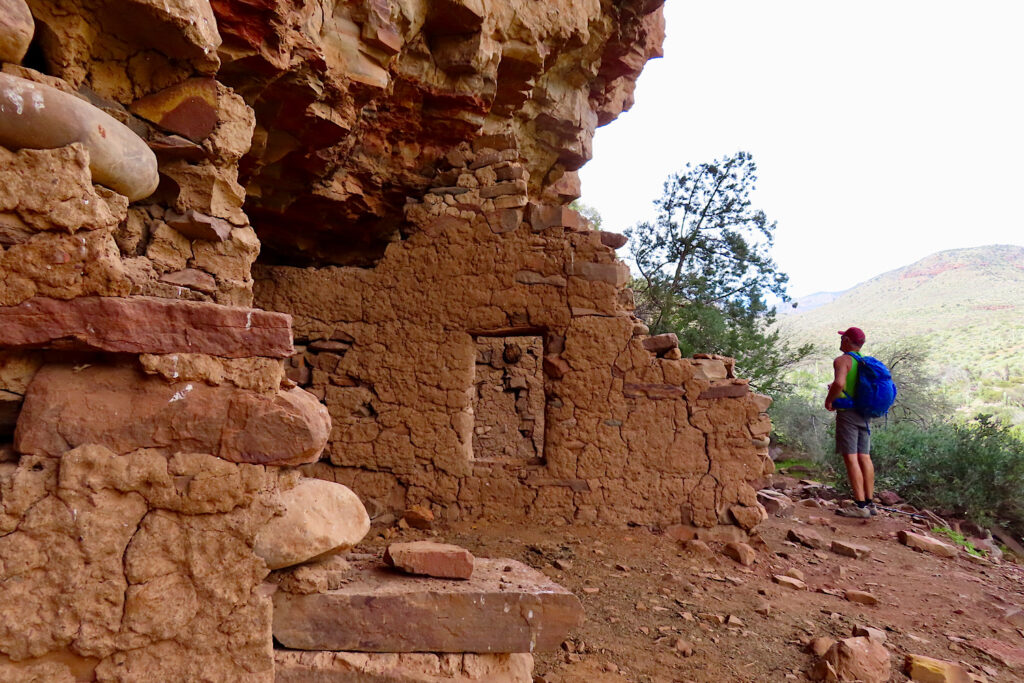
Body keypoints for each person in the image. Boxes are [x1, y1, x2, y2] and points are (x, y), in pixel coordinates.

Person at [824, 326, 876, 518]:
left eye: (842, 338)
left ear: (846, 340)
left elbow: (839, 384)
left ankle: (859, 505)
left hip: (848, 414)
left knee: (851, 457)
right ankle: (870, 503)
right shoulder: (864, 362)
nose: (840, 341)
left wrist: (829, 399)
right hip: (865, 413)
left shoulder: (842, 360)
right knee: (865, 457)